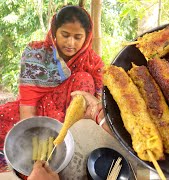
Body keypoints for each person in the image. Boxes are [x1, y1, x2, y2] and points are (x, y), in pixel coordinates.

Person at [0, 5, 104, 154]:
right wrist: (32, 135)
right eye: (65, 35)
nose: (71, 43)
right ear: (55, 31)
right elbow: (28, 105)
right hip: (38, 111)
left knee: (84, 78)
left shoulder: (93, 63)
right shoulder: (35, 55)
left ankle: (67, 141)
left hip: (71, 120)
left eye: (77, 37)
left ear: (86, 36)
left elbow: (96, 105)